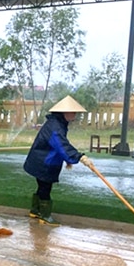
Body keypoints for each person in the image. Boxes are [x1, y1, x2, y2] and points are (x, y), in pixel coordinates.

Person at [23, 95, 91, 226]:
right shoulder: (55, 126)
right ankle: (44, 215)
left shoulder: (58, 123)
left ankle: (35, 210)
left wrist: (68, 159)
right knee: (45, 187)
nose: (75, 115)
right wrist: (79, 156)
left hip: (43, 159)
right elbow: (61, 144)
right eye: (73, 112)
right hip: (44, 161)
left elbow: (59, 146)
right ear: (64, 112)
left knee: (42, 186)